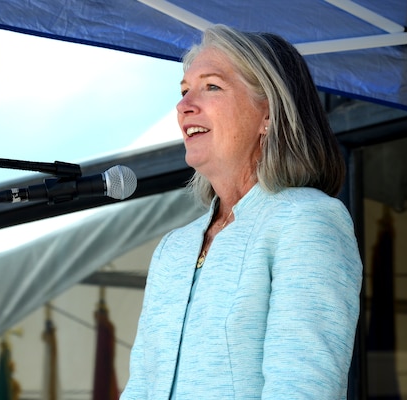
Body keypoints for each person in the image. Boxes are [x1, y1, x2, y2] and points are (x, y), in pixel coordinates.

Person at [120, 24, 363, 399]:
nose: (184, 105)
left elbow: (301, 389)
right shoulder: (173, 248)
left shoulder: (307, 221)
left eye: (211, 86)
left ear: (268, 111)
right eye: (184, 91)